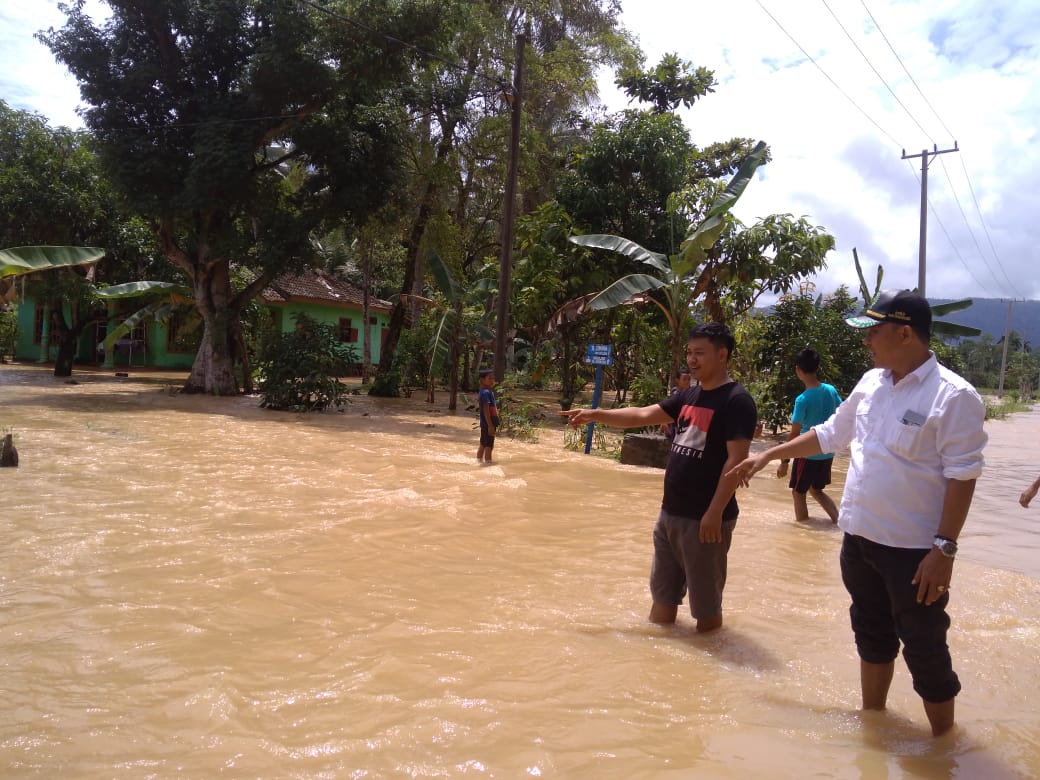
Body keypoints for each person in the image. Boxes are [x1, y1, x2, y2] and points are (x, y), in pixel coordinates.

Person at [727, 290, 987, 736]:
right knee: (871, 635)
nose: (867, 341)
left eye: (874, 331)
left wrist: (943, 549)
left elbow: (963, 476)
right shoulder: (871, 383)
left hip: (913, 553)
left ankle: (946, 751)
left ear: (905, 334)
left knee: (925, 648)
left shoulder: (954, 396)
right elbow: (829, 435)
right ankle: (875, 730)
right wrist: (771, 455)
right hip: (859, 540)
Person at [562, 322, 757, 633]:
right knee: (662, 598)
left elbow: (737, 460)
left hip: (705, 520)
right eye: (690, 353)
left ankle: (709, 668)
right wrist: (595, 414)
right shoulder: (688, 396)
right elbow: (641, 415)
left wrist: (715, 512)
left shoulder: (736, 401)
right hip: (670, 514)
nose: (692, 360)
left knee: (706, 611)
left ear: (722, 355)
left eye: (700, 353)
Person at [777, 348, 842, 523]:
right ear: (817, 367)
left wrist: (784, 462)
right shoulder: (830, 390)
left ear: (798, 369)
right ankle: (839, 522)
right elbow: (842, 415)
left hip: (807, 453)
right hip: (828, 451)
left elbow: (795, 434)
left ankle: (802, 528)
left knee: (798, 492)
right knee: (816, 489)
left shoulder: (802, 399)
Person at [658, 366, 692, 439]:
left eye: (689, 380)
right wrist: (664, 422)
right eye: (684, 379)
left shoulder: (691, 394)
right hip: (674, 429)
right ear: (677, 380)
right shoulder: (675, 394)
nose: (687, 382)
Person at [476, 368, 499, 463]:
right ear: (482, 380)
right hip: (488, 424)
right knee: (489, 446)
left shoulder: (487, 391)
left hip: (487, 423)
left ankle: (479, 461)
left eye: (493, 378)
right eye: (489, 378)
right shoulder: (486, 393)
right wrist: (490, 425)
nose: (492, 380)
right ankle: (488, 465)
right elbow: (486, 410)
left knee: (483, 444)